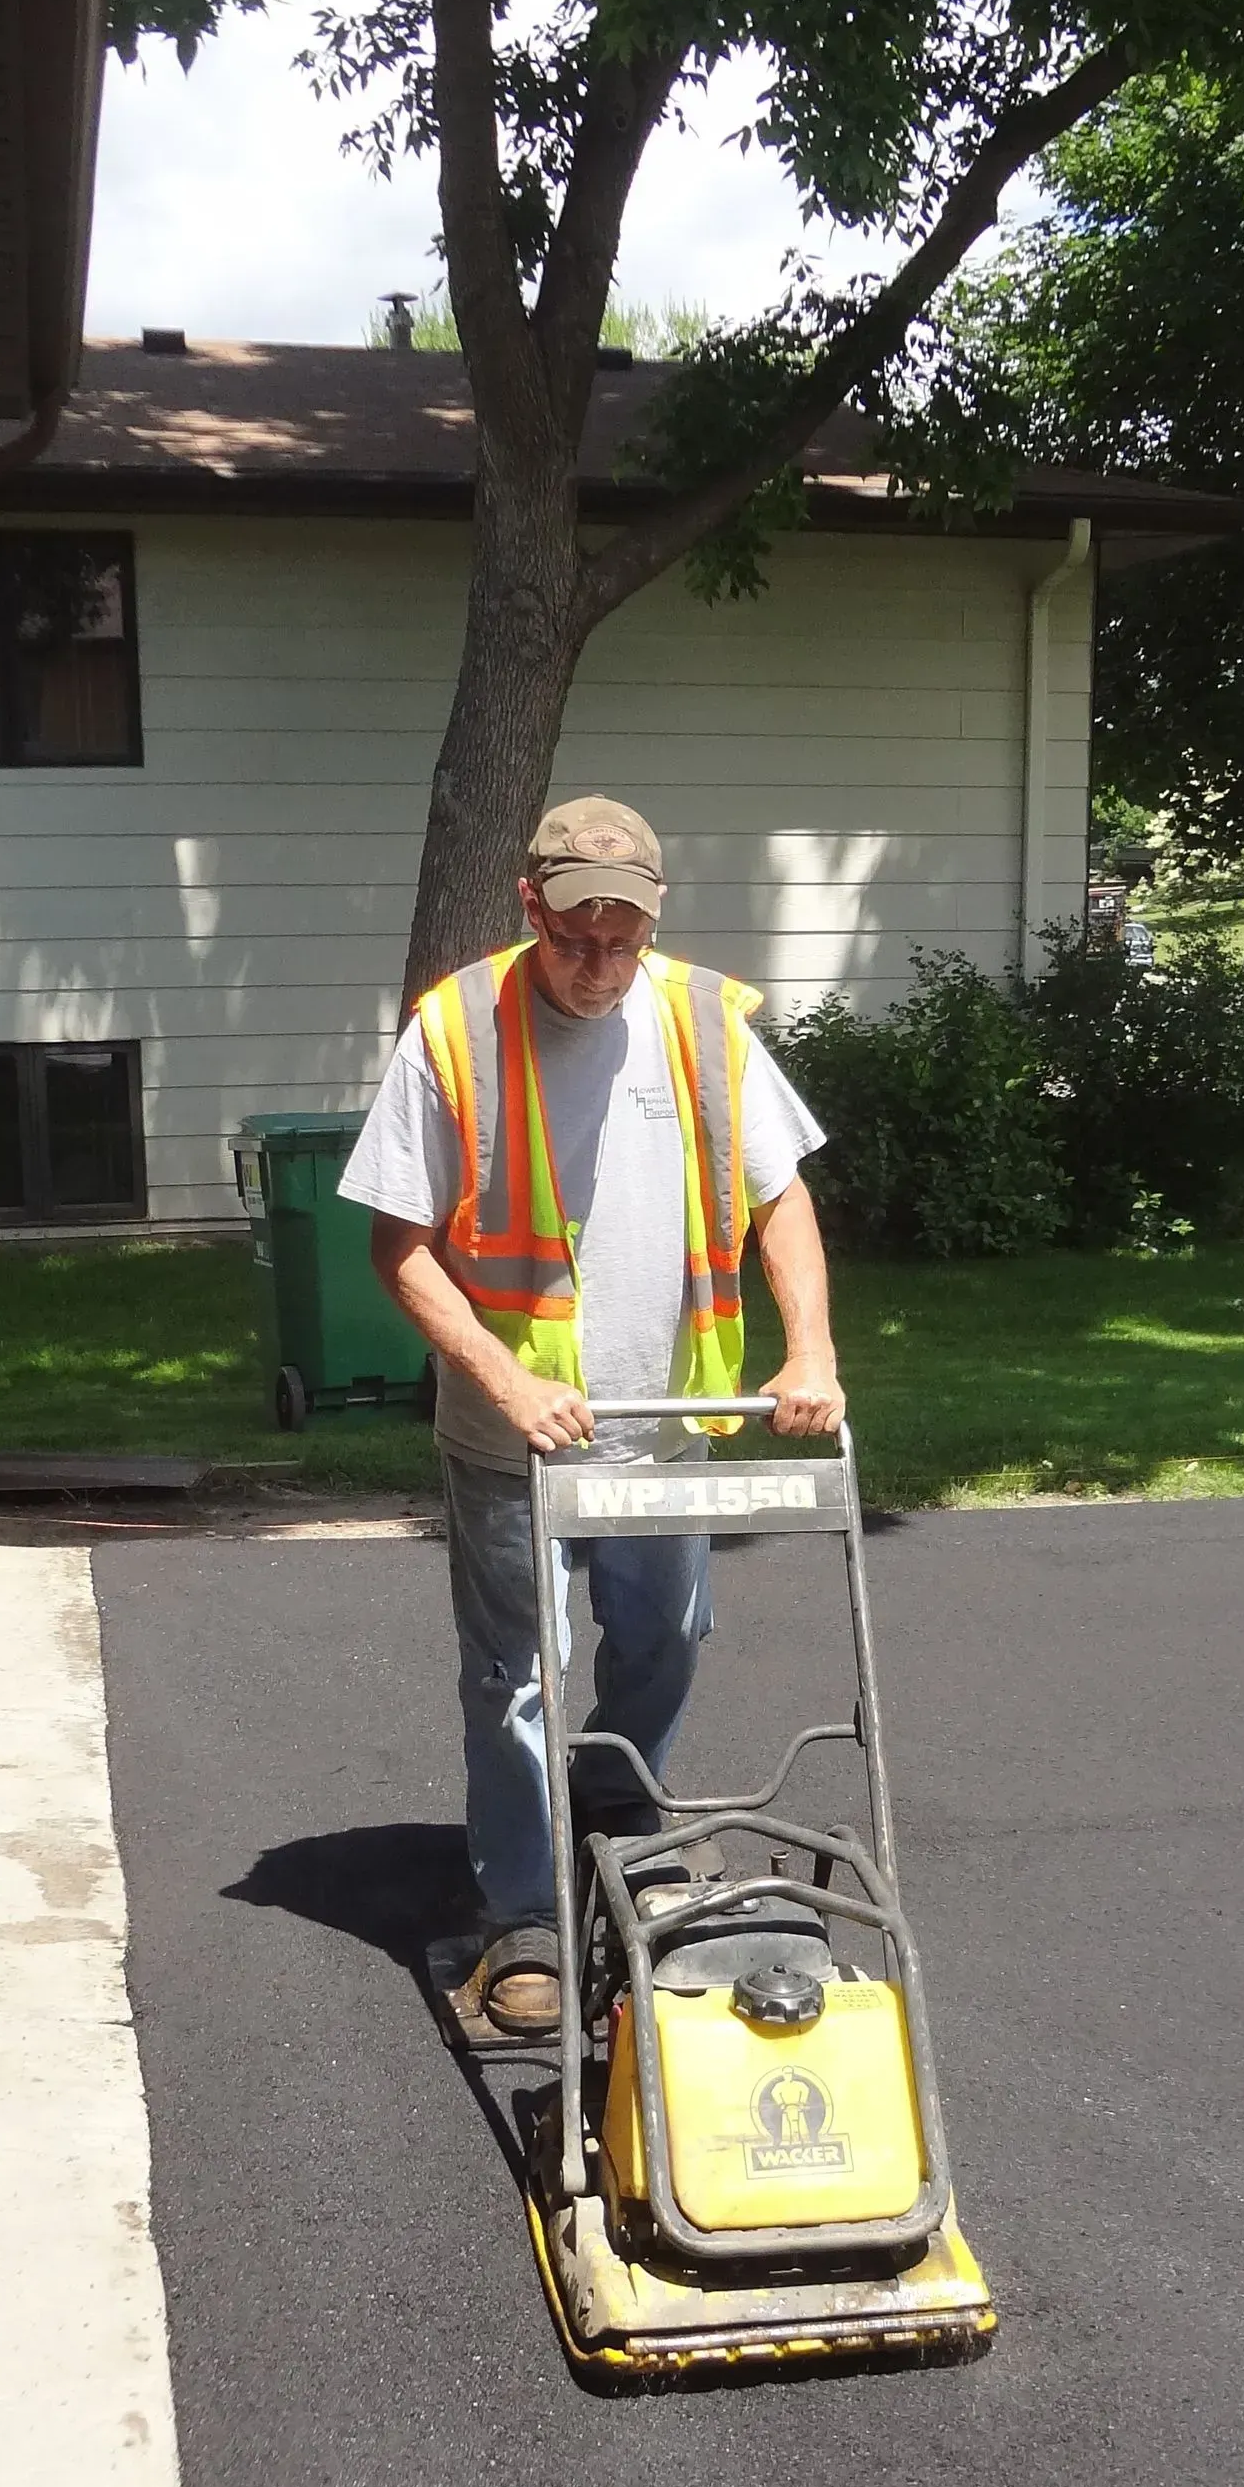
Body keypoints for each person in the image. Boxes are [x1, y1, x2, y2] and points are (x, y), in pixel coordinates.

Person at [338, 795, 844, 2035]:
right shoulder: (454, 1032)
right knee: (519, 1671)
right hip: (512, 1431)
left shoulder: (704, 1026)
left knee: (666, 1637)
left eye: (623, 937)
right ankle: (526, 1908)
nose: (601, 962)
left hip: (665, 1418)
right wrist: (507, 1378)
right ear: (532, 906)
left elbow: (779, 1197)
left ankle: (621, 1812)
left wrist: (812, 1346)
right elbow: (397, 1247)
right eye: (577, 936)